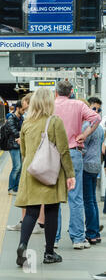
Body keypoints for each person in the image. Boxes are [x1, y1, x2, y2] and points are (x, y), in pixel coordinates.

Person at [15, 88, 75, 266]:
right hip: (50, 172)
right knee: (51, 211)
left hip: (31, 171)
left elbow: (23, 151)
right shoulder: (54, 121)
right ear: (49, 102)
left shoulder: (27, 123)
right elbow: (63, 150)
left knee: (31, 212)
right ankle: (49, 253)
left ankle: (22, 245)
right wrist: (70, 174)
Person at [54, 80, 101, 249]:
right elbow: (96, 118)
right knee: (76, 196)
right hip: (74, 153)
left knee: (55, 198)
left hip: (53, 155)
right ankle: (77, 238)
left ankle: (54, 238)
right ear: (71, 91)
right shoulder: (78, 105)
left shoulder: (50, 106)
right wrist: (85, 134)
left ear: (56, 92)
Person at [7, 94, 45, 234]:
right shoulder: (49, 119)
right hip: (43, 163)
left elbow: (26, 147)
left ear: (29, 103)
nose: (22, 105)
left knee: (27, 194)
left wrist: (22, 141)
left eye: (23, 102)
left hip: (32, 162)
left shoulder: (30, 120)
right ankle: (40, 223)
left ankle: (27, 223)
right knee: (42, 195)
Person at [81, 97, 103, 245]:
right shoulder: (100, 127)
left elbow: (83, 147)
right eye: (93, 109)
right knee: (93, 200)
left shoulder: (87, 126)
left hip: (86, 165)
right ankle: (95, 231)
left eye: (98, 109)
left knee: (88, 201)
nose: (95, 111)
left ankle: (92, 233)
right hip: (96, 166)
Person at [5, 100, 29, 196]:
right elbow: (14, 132)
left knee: (21, 167)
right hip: (13, 146)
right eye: (23, 110)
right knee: (17, 167)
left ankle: (17, 188)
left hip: (20, 145)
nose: (24, 111)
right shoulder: (11, 119)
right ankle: (11, 188)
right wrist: (22, 135)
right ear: (18, 108)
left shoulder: (22, 118)